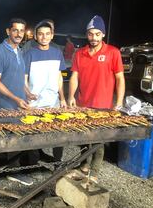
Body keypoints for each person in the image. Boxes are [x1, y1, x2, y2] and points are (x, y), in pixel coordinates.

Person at [68, 15, 125, 183]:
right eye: (91, 34)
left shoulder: (113, 52)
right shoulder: (80, 53)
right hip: (83, 103)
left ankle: (94, 172)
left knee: (99, 141)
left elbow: (120, 78)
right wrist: (71, 96)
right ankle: (85, 165)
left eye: (97, 34)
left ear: (103, 35)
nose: (94, 38)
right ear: (87, 34)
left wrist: (119, 101)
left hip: (103, 105)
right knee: (85, 137)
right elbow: (74, 77)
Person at [0, 18, 35, 186]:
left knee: (15, 140)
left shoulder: (20, 52)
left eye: (21, 31)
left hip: (17, 106)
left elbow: (18, 78)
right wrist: (16, 98)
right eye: (15, 30)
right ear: (8, 31)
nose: (18, 34)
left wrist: (27, 93)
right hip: (1, 106)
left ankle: (13, 172)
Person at [24, 19, 67, 162]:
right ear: (36, 36)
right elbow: (23, 78)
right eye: (41, 34)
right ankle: (33, 163)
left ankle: (57, 162)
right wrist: (27, 93)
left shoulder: (57, 53)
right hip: (34, 103)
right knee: (33, 136)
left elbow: (59, 77)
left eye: (47, 34)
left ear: (52, 35)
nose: (44, 37)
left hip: (52, 102)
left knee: (58, 133)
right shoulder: (29, 54)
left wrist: (62, 98)